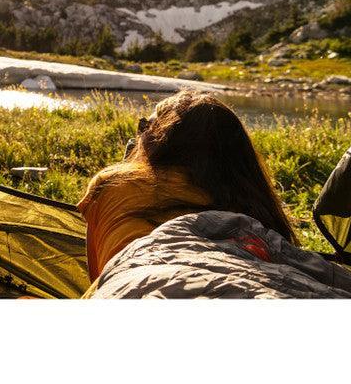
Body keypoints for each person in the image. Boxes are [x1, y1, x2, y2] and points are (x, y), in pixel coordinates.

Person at [77, 90, 296, 281]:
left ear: (160, 140)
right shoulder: (251, 201)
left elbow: (99, 280)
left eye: (145, 127)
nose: (139, 137)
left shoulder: (112, 183)